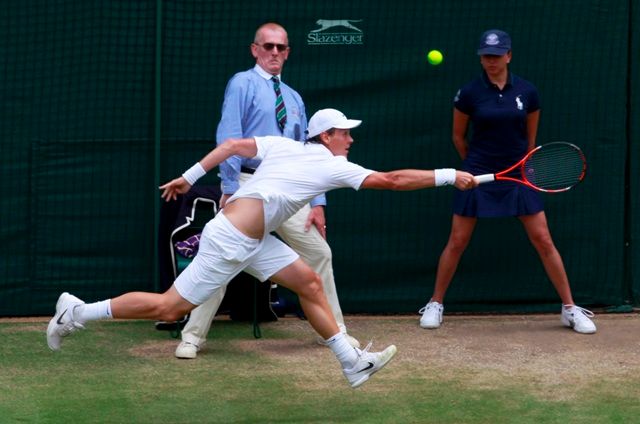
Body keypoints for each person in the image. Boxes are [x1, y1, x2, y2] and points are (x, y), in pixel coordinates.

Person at [47, 108, 477, 388]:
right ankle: (77, 311)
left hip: (253, 239)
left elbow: (234, 146)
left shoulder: (284, 145)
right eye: (346, 133)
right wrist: (448, 174)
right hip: (230, 240)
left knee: (309, 281)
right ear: (327, 136)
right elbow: (392, 181)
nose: (351, 139)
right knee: (168, 308)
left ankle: (351, 362)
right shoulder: (331, 163)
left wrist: (188, 175)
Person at [174, 22, 361, 360]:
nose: (275, 53)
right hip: (247, 186)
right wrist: (229, 186)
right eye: (269, 46)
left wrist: (317, 202)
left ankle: (336, 333)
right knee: (221, 259)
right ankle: (193, 335)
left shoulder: (294, 98)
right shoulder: (241, 84)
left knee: (320, 253)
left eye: (281, 48)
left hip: (287, 191)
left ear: (288, 52)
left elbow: (308, 152)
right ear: (255, 50)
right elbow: (228, 135)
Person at [418, 29, 597, 334]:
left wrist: (524, 167)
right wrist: (472, 169)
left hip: (519, 173)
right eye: (486, 56)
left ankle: (569, 308)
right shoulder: (469, 93)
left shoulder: (527, 92)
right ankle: (435, 304)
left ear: (509, 56)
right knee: (458, 241)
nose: (491, 61)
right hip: (477, 172)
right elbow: (458, 137)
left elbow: (530, 139)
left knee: (543, 239)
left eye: (497, 55)